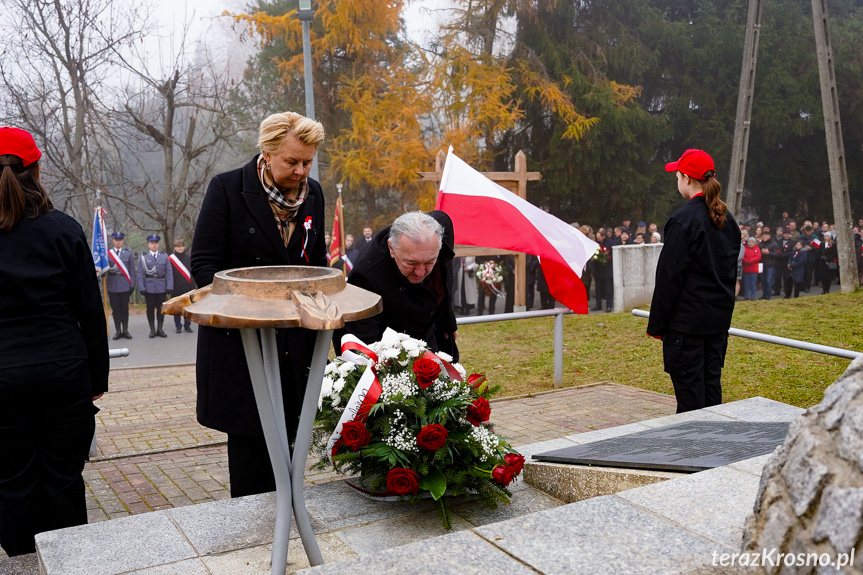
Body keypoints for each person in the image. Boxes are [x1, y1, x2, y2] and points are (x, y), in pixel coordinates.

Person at [190, 111, 327, 498]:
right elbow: (203, 264)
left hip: (295, 345)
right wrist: (245, 311)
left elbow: (317, 262)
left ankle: (289, 518)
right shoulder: (227, 189)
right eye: (292, 162)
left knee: (292, 445)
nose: (301, 171)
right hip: (242, 346)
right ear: (266, 154)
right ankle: (256, 540)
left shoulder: (313, 193)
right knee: (251, 454)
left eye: (308, 162)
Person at [0, 127, 109, 556]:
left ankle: (24, 565)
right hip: (64, 373)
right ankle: (67, 563)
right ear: (37, 170)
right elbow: (90, 311)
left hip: (3, 378)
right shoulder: (64, 229)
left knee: (11, 482)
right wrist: (96, 377)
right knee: (63, 479)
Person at [647, 149, 740, 413]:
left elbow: (668, 278)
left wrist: (658, 325)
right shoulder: (727, 219)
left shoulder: (684, 219)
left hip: (686, 327)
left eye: (677, 175)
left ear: (686, 178)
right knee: (711, 392)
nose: (677, 179)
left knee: (690, 401)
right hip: (716, 324)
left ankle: (694, 452)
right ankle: (713, 450)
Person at [340, 210, 459, 361]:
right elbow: (361, 343)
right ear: (392, 248)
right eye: (411, 263)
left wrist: (447, 320)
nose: (421, 272)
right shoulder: (366, 276)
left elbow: (443, 278)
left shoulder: (439, 230)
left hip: (429, 334)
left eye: (429, 262)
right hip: (391, 348)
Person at [137, 234, 173, 338]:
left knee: (161, 309)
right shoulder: (143, 257)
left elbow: (169, 272)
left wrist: (169, 286)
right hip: (149, 287)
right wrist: (142, 287)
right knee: (150, 309)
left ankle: (160, 329)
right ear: (148, 245)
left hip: (161, 286)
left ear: (158, 244)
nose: (154, 245)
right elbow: (140, 273)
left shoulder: (164, 256)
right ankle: (152, 329)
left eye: (156, 243)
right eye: (152, 243)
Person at [107, 231, 136, 339]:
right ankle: (118, 330)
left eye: (120, 240)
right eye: (116, 240)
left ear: (123, 241)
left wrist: (132, 284)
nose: (118, 242)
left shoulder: (127, 253)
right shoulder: (108, 253)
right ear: (113, 241)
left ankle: (125, 330)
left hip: (124, 284)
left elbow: (132, 270)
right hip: (112, 284)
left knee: (124, 308)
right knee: (115, 309)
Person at [168, 239, 196, 333]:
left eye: (182, 246)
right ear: (175, 247)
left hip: (187, 285)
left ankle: (187, 325)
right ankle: (178, 326)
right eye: (178, 246)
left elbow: (192, 272)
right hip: (176, 286)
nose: (180, 248)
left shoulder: (188, 258)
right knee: (177, 307)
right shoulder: (171, 259)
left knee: (187, 307)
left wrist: (193, 285)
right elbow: (169, 274)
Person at [758, 230, 780, 300]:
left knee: (768, 280)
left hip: (770, 265)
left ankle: (768, 296)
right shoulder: (760, 244)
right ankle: (764, 294)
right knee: (763, 281)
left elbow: (777, 254)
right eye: (763, 235)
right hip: (762, 264)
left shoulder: (774, 244)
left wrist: (769, 253)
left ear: (769, 236)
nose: (764, 237)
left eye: (766, 235)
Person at [742, 237, 761, 301]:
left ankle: (752, 296)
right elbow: (742, 256)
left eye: (752, 242)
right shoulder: (745, 248)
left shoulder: (757, 249)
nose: (750, 243)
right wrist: (746, 260)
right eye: (749, 242)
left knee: (753, 283)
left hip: (754, 268)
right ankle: (746, 296)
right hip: (746, 268)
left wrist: (750, 261)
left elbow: (758, 257)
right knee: (746, 283)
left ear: (754, 243)